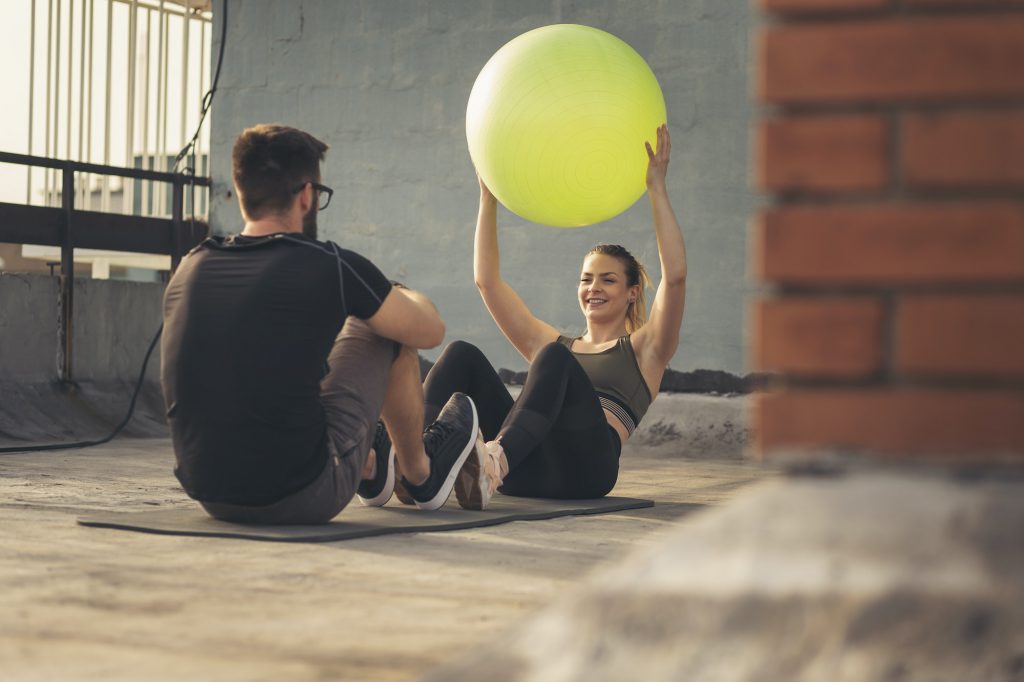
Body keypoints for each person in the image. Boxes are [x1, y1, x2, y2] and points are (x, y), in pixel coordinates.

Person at [161, 124, 480, 523]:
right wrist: (398, 292)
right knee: (383, 327)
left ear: (244, 193)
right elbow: (429, 331)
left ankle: (372, 464)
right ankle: (422, 474)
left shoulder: (191, 266)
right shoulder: (329, 264)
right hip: (301, 494)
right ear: (307, 195)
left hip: (210, 494)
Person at [416, 124, 686, 510]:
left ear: (632, 293)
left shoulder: (647, 350)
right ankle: (414, 464)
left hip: (586, 472)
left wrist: (656, 188)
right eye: (586, 279)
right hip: (528, 467)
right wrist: (488, 197)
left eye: (607, 280)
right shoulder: (556, 346)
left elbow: (675, 278)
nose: (593, 287)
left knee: (554, 356)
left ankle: (492, 466)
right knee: (460, 354)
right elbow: (487, 282)